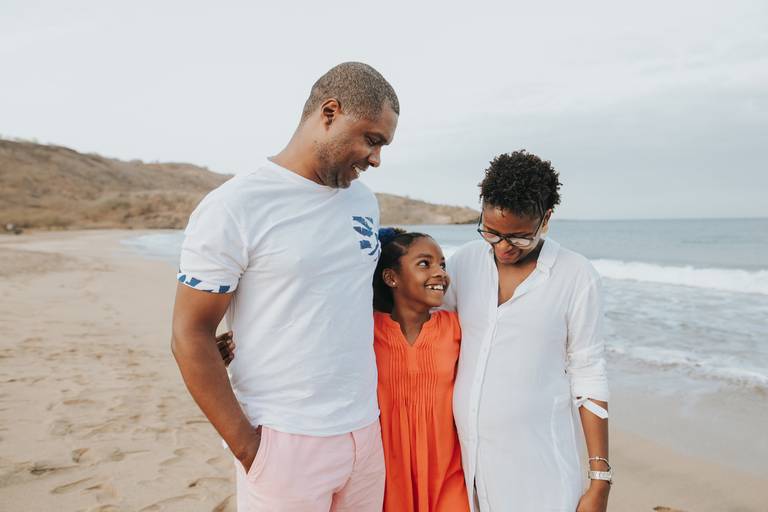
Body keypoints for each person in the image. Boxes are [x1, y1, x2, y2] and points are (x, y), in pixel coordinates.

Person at [170, 62, 399, 512]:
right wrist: (249, 449)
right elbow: (189, 334)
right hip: (283, 440)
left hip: (365, 433)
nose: (376, 158)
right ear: (329, 112)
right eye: (371, 139)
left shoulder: (363, 201)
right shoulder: (235, 206)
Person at [444, 151, 611, 512]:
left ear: (546, 219)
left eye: (519, 237)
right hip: (469, 468)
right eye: (491, 232)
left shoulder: (576, 275)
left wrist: (600, 481)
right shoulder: (464, 263)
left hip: (540, 476)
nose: (503, 247)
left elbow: (589, 371)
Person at [372, 228, 470, 512]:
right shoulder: (367, 331)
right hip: (388, 475)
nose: (440, 272)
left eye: (442, 264)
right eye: (425, 264)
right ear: (392, 278)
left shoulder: (457, 328)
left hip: (448, 473)